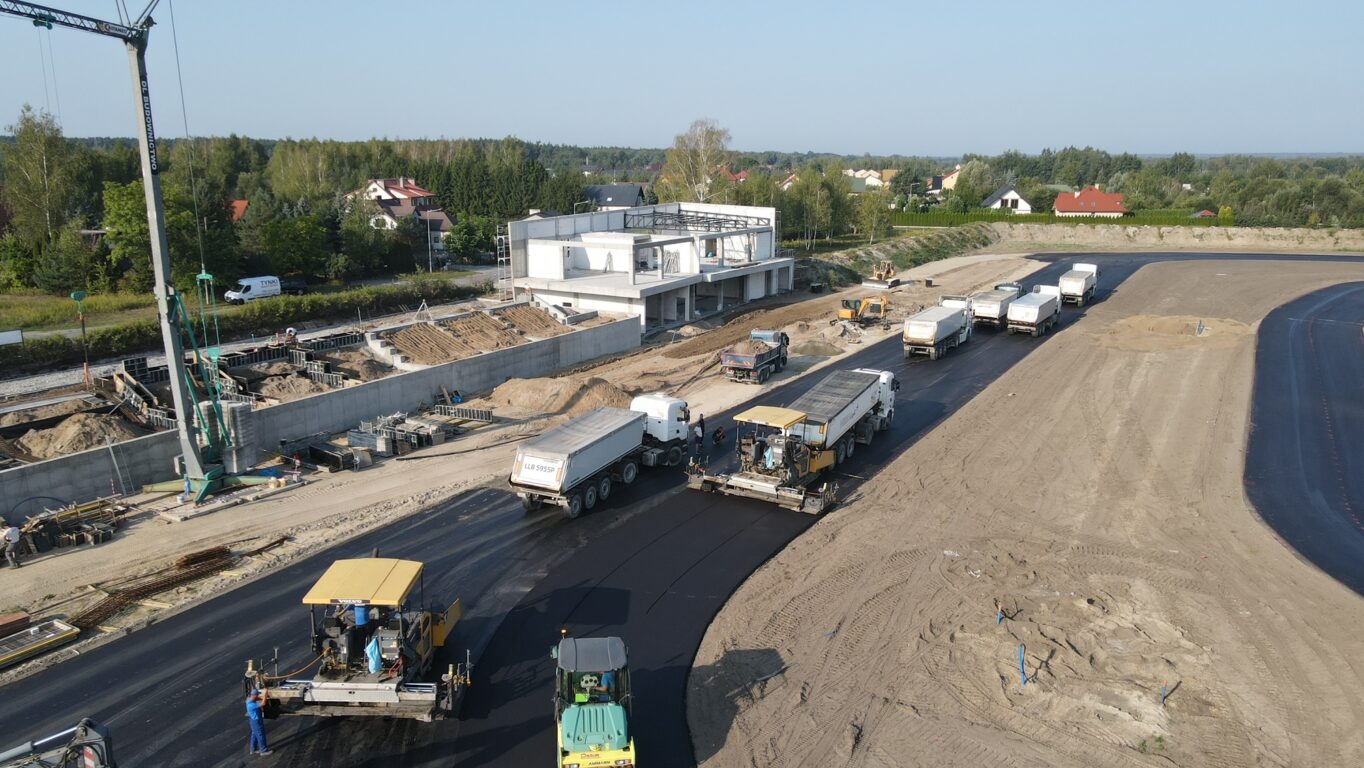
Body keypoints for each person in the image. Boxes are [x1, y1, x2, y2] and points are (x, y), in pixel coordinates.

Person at [245, 689, 272, 756]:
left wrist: (262, 697)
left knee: (254, 734)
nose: (258, 696)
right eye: (257, 695)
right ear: (254, 695)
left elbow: (256, 698)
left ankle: (253, 749)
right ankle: (263, 751)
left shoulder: (248, 699)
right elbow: (263, 703)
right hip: (256, 721)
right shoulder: (251, 705)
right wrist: (265, 694)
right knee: (260, 735)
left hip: (252, 720)